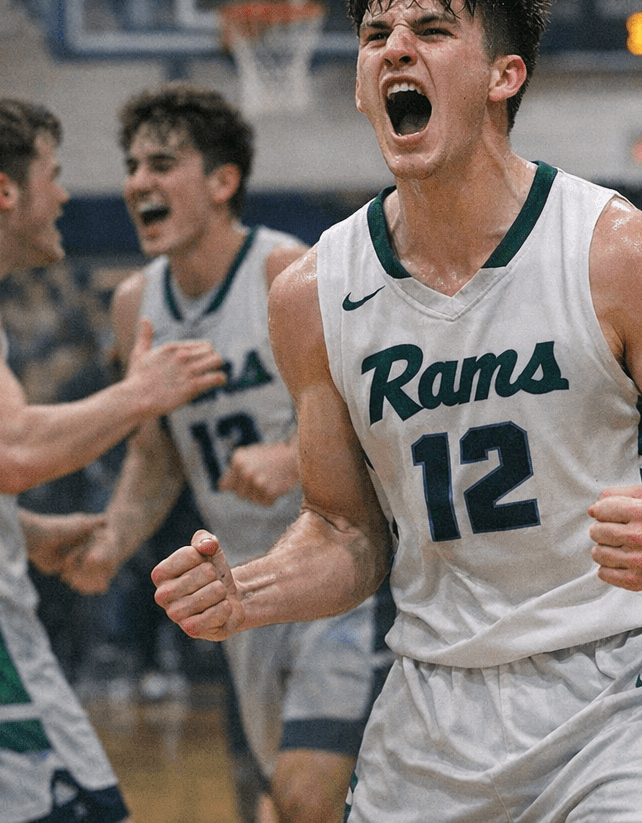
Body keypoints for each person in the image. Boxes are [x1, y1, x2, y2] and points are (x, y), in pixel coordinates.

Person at [151, 0, 642, 822]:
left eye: (431, 30)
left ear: (505, 76)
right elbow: (343, 529)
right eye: (376, 38)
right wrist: (247, 592)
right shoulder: (312, 294)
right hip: (434, 711)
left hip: (630, 689)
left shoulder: (619, 254)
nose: (396, 50)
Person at [60, 84, 386, 823]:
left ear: (222, 182)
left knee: (306, 796)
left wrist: (292, 461)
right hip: (234, 584)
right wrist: (113, 538)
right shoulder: (133, 303)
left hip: (334, 569)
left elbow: (385, 422)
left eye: (162, 163)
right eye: (133, 164)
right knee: (271, 802)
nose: (138, 181)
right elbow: (157, 457)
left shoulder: (288, 274)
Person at [0, 96, 226, 822]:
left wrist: (26, 534)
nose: (66, 195)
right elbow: (11, 451)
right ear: (4, 192)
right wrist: (142, 393)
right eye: (54, 174)